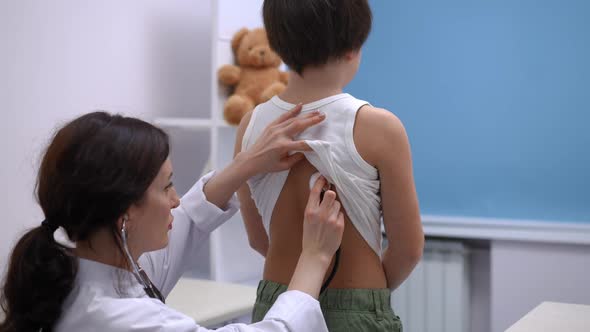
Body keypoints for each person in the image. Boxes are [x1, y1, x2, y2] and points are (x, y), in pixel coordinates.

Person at [0, 106, 345, 332]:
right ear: (125, 214)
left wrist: (248, 162)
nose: (176, 200)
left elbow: (188, 220)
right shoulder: (115, 319)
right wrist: (314, 257)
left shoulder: (74, 273)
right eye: (166, 187)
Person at [235, 0, 425, 331]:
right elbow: (408, 249)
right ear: (354, 47)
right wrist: (368, 298)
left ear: (277, 45)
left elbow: (257, 239)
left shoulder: (250, 125)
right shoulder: (379, 128)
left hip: (276, 307)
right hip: (357, 308)